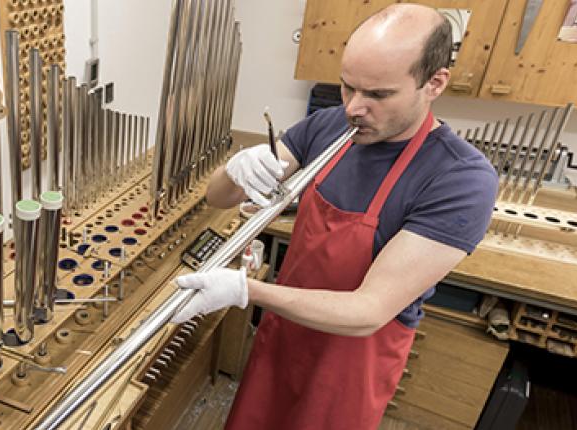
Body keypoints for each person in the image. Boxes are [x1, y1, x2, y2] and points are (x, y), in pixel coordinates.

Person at [170, 4, 499, 429]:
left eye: (378, 95)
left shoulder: (460, 178)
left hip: (352, 361)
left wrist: (245, 290)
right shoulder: (327, 127)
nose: (354, 109)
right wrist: (235, 170)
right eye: (347, 87)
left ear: (434, 83)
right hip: (287, 332)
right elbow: (219, 199)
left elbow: (368, 311)